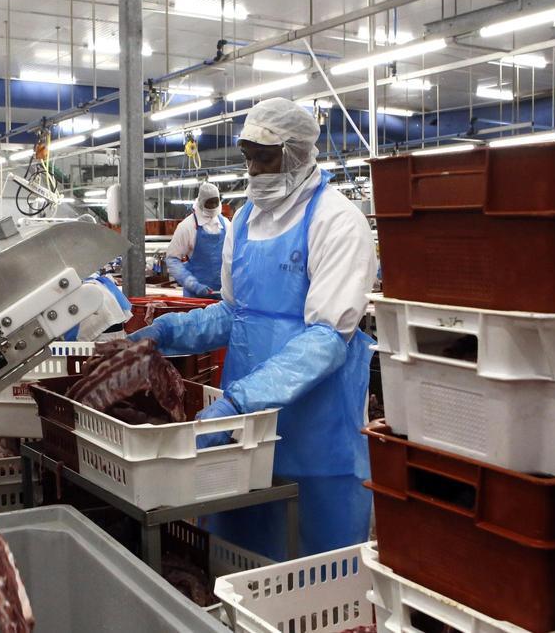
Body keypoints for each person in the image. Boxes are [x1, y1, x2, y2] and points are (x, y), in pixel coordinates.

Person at [129, 97, 377, 560]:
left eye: (264, 157)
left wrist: (239, 403)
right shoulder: (244, 219)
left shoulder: (337, 221)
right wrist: (167, 332)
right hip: (243, 443)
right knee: (234, 562)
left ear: (296, 153)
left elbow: (327, 340)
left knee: (312, 574)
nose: (253, 169)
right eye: (248, 156)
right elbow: (234, 313)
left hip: (314, 436)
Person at [165, 182, 229, 298]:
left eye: (215, 202)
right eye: (209, 202)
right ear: (201, 202)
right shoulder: (187, 226)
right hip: (196, 298)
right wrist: (192, 284)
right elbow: (172, 259)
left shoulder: (226, 224)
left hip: (223, 296)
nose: (213, 205)